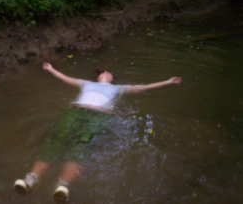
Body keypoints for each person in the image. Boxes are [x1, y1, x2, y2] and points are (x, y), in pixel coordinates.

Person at [14, 62, 182, 202]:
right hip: (75, 111)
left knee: (81, 145)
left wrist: (167, 82)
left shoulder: (118, 88)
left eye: (109, 72)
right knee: (56, 139)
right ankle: (31, 179)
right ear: (98, 76)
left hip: (99, 115)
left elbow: (142, 87)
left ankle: (62, 185)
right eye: (104, 71)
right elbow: (65, 78)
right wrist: (50, 68)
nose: (106, 72)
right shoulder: (86, 83)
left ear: (112, 79)